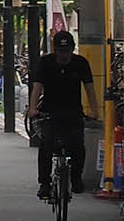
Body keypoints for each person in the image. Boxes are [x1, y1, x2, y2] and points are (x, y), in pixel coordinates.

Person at [27, 32, 95, 202]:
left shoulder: (81, 63)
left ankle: (76, 178)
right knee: (46, 146)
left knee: (78, 146)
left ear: (72, 49)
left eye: (67, 51)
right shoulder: (45, 63)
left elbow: (89, 88)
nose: (64, 55)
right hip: (49, 112)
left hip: (73, 112)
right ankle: (44, 184)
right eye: (61, 51)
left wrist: (94, 110)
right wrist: (33, 108)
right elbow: (37, 87)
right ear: (55, 50)